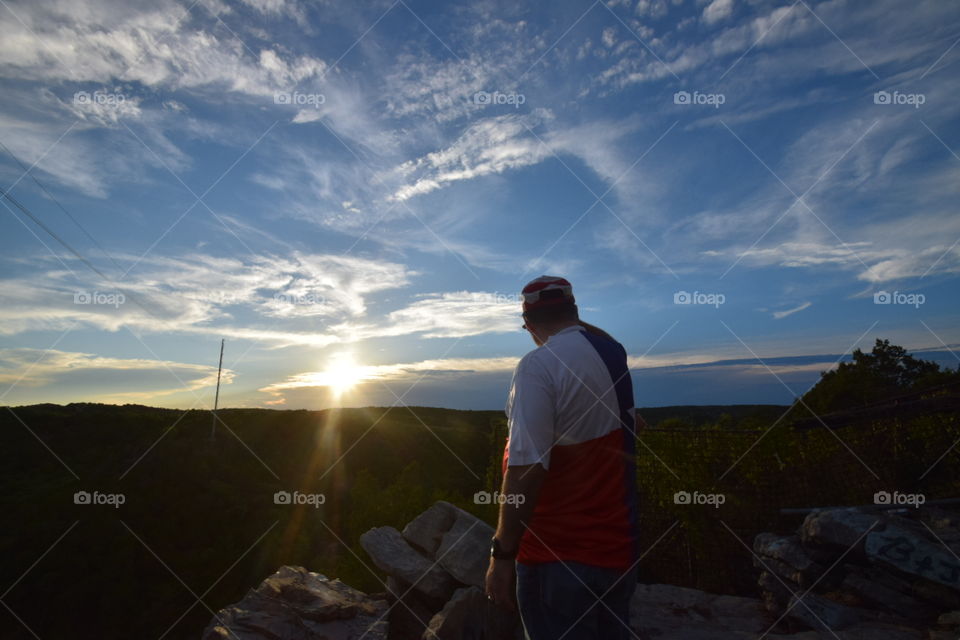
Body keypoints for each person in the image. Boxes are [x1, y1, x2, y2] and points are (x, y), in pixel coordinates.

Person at [484, 275, 640, 640]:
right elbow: (598, 336)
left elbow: (527, 468)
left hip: (555, 557)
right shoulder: (611, 354)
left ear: (529, 325)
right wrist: (568, 316)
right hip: (617, 551)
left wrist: (502, 555)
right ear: (575, 312)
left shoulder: (537, 366)